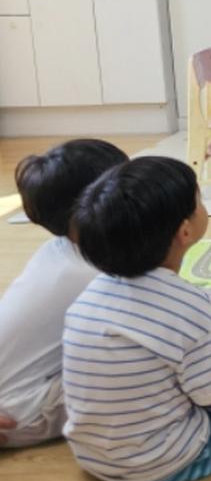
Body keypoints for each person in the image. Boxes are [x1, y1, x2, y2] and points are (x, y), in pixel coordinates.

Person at [62, 157, 211, 481]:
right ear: (185, 231)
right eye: (198, 200)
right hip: (168, 460)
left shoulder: (88, 298)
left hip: (94, 456)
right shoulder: (190, 306)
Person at [0, 139, 127, 448]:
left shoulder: (61, 251)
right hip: (23, 410)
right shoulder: (91, 275)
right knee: (141, 371)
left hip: (15, 392)